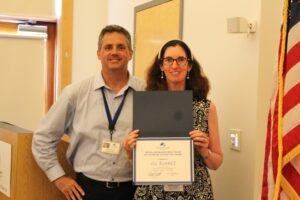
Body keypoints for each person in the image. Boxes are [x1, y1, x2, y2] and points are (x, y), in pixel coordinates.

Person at [32, 24, 145, 200]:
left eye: (121, 47)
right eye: (108, 47)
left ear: (130, 53)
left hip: (134, 191)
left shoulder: (146, 92)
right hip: (88, 190)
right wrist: (59, 178)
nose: (114, 52)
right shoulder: (75, 93)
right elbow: (42, 139)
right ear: (98, 54)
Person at [123, 39, 223, 200]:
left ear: (189, 65)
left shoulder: (206, 108)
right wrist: (129, 149)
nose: (175, 66)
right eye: (168, 60)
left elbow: (216, 163)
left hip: (195, 193)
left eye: (181, 60)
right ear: (161, 66)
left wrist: (205, 151)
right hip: (152, 193)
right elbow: (138, 161)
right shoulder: (147, 106)